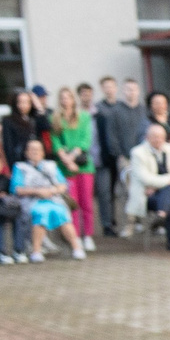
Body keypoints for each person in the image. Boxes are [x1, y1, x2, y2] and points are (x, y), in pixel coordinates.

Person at [13, 136, 84, 263]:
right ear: (26, 152)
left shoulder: (51, 165)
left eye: (38, 149)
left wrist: (51, 191)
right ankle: (36, 251)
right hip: (32, 201)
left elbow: (63, 185)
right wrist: (37, 192)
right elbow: (17, 189)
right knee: (41, 213)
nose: (35, 152)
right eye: (32, 149)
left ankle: (76, 248)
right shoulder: (20, 167)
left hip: (53, 199)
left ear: (43, 152)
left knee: (62, 213)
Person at [92, 77, 141, 237]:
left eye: (133, 89)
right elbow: (111, 135)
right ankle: (119, 224)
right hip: (120, 158)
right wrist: (119, 154)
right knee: (117, 192)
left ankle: (136, 222)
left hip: (139, 158)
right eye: (128, 89)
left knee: (134, 191)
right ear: (123, 91)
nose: (131, 92)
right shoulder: (113, 111)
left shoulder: (142, 110)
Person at [49, 87, 97, 243]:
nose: (65, 100)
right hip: (65, 166)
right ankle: (74, 236)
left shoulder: (84, 116)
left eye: (68, 97)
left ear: (73, 99)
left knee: (86, 202)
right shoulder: (54, 118)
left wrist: (72, 157)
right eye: (62, 98)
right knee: (71, 202)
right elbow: (55, 141)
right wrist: (66, 159)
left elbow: (85, 139)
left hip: (83, 165)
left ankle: (87, 235)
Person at [129, 124, 170, 249]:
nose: (157, 139)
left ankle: (162, 215)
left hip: (164, 193)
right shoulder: (138, 152)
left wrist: (159, 185)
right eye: (154, 136)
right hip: (147, 196)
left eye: (160, 136)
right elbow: (145, 178)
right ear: (147, 137)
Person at [0, 89, 46, 169]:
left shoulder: (34, 118)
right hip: (20, 160)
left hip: (37, 160)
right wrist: (12, 165)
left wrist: (38, 105)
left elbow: (45, 126)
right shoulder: (9, 120)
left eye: (27, 102)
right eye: (20, 102)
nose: (24, 105)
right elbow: (8, 145)